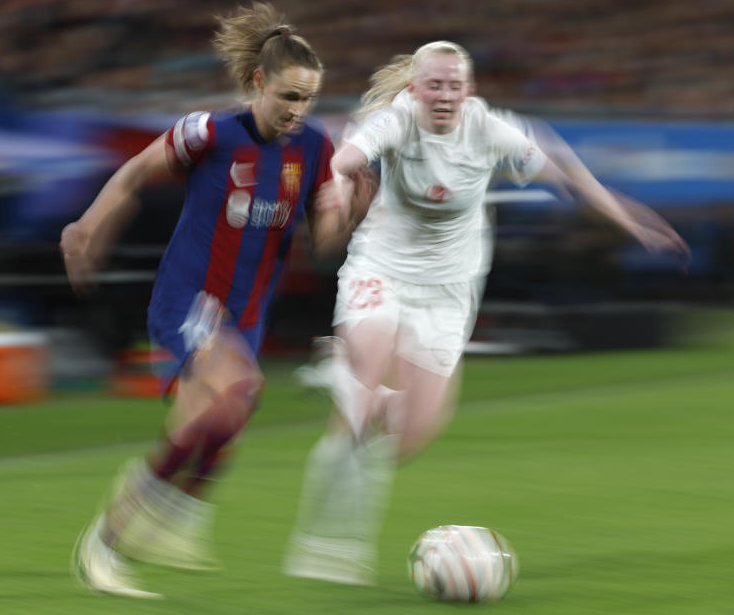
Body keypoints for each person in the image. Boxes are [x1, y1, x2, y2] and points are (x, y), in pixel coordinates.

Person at [284, 41, 689, 585]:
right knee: (368, 361)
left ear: (469, 92)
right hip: (383, 270)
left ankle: (347, 382)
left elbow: (568, 174)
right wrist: (333, 189)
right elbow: (348, 157)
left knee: (407, 439)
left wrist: (632, 221)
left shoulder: (494, 132)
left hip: (451, 292)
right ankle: (329, 532)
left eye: (455, 86)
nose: (444, 95)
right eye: (434, 85)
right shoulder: (396, 121)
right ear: (415, 90)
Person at [63, 2, 361, 599]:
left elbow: (326, 245)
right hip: (189, 303)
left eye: (308, 99)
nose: (298, 111)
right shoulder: (210, 133)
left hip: (245, 316)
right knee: (237, 396)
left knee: (215, 428)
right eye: (288, 97)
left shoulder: (315, 149)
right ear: (258, 82)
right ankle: (106, 543)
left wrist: (344, 210)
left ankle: (164, 513)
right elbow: (133, 173)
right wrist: (91, 222)